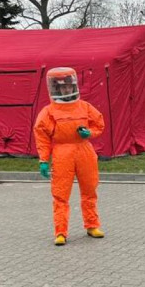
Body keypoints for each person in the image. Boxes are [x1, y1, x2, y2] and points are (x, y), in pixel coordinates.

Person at [34, 67, 106, 245]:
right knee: (60, 194)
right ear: (56, 89)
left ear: (73, 86)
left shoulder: (84, 106)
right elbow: (41, 136)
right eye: (62, 87)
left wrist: (89, 133)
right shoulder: (49, 111)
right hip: (62, 153)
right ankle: (60, 231)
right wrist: (44, 159)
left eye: (68, 86)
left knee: (89, 189)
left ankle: (92, 225)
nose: (66, 90)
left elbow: (99, 124)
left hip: (84, 151)